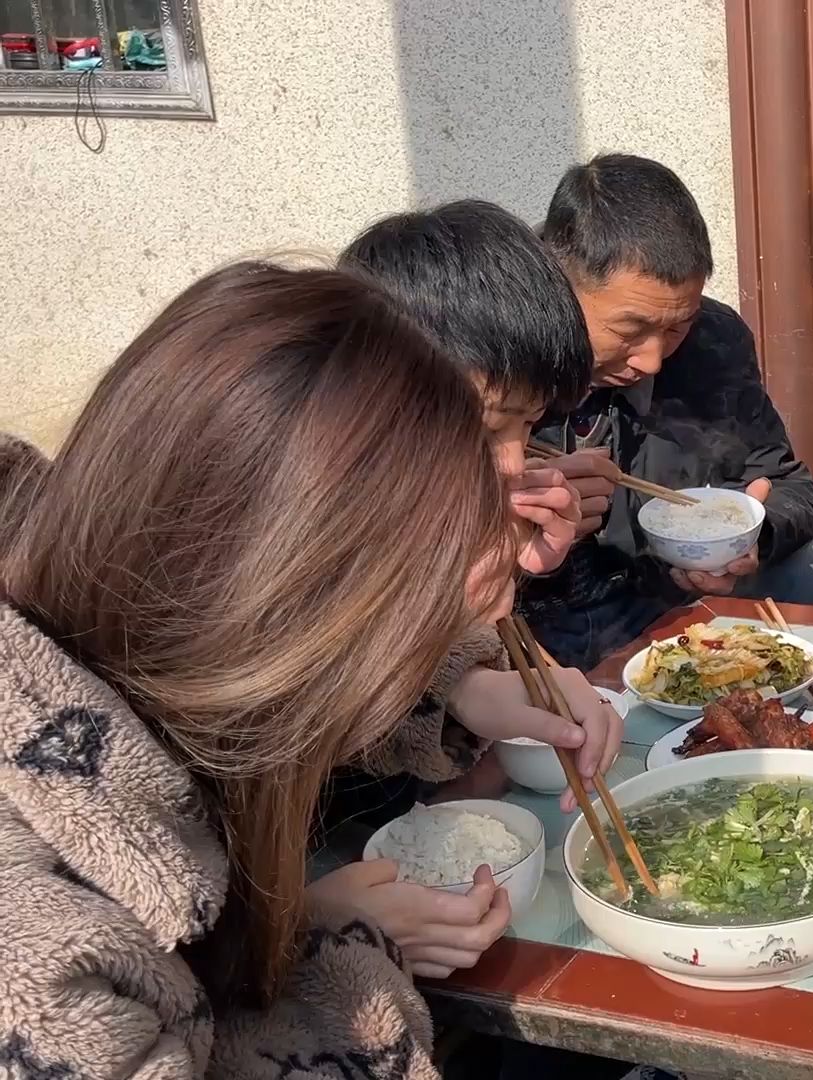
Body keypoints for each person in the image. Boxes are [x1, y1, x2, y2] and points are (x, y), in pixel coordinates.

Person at [0, 263, 551, 1077]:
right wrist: (325, 953)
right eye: (418, 615)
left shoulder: (114, 648)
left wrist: (466, 685)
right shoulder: (46, 971)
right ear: (285, 618)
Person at [339, 199, 624, 813]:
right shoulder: (297, 528)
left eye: (528, 424)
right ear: (374, 389)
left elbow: (459, 669)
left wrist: (501, 585)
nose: (514, 463)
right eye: (490, 424)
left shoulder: (446, 495)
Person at [519, 154, 813, 669]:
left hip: (663, 596)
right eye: (630, 330)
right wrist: (519, 515)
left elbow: (788, 483)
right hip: (530, 613)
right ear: (557, 288)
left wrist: (751, 539)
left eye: (676, 326)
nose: (652, 359)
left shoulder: (712, 342)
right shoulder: (499, 353)